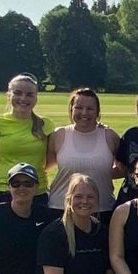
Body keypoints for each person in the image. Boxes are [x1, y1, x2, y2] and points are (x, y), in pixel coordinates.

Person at [0, 73, 53, 210]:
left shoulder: (46, 124)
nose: (23, 98)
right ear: (8, 95)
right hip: (4, 193)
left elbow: (52, 158)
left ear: (36, 97)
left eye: (30, 94)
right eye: (17, 93)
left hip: (37, 194)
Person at [47, 87, 119, 221]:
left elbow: (123, 170)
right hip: (61, 208)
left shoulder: (110, 136)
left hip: (102, 209)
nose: (84, 113)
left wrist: (100, 172)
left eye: (90, 108)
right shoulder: (59, 135)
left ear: (97, 112)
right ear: (71, 109)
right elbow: (44, 167)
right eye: (79, 108)